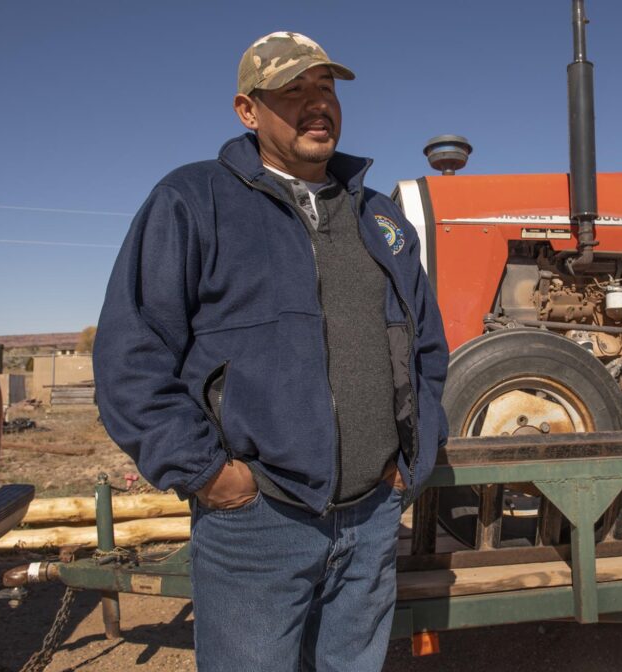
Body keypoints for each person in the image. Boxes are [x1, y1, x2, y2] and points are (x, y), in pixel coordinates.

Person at [93, 31, 449, 672]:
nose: (317, 105)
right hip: (257, 525)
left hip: (370, 521)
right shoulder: (193, 201)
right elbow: (131, 355)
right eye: (293, 91)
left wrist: (409, 464)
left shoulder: (381, 220)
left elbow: (427, 350)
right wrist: (207, 474)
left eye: (326, 90)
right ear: (247, 110)